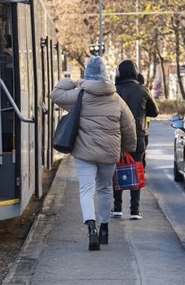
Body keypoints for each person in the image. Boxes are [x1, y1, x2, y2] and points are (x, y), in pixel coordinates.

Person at [52, 55, 136, 251]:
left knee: (86, 191)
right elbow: (129, 127)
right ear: (106, 74)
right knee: (105, 189)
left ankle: (91, 229)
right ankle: (104, 227)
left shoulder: (79, 95)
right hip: (109, 154)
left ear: (87, 74)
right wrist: (128, 149)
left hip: (84, 153)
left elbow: (56, 93)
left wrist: (75, 81)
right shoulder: (116, 99)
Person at [111, 60, 158, 220]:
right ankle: (135, 210)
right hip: (139, 136)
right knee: (136, 169)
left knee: (117, 169)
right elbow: (155, 112)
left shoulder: (115, 91)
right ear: (135, 72)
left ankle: (117, 207)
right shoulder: (142, 90)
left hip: (118, 136)